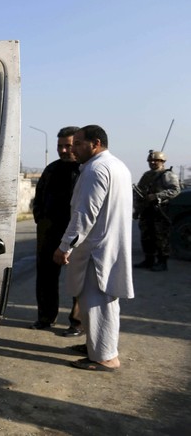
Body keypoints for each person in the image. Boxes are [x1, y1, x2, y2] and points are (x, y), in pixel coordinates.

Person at [53, 125, 134, 371]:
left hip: (96, 250)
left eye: (78, 143)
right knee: (94, 304)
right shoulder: (116, 165)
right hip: (105, 246)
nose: (73, 149)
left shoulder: (96, 169)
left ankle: (105, 357)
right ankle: (95, 346)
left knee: (98, 304)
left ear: (95, 143)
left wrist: (65, 246)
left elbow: (84, 214)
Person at [31, 126, 84, 337]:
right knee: (45, 277)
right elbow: (39, 197)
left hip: (76, 234)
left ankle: (77, 323)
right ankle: (45, 317)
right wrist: (40, 220)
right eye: (60, 146)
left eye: (68, 146)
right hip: (49, 232)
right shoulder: (51, 169)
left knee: (78, 279)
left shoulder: (85, 170)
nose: (63, 150)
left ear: (77, 144)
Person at [133, 150, 180, 272]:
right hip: (146, 209)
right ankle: (149, 260)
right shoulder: (146, 175)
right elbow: (139, 193)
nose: (153, 162)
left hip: (160, 210)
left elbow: (175, 190)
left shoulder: (167, 175)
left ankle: (162, 262)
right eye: (151, 161)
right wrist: (137, 210)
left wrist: (157, 195)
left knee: (161, 237)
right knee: (146, 236)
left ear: (162, 161)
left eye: (156, 160)